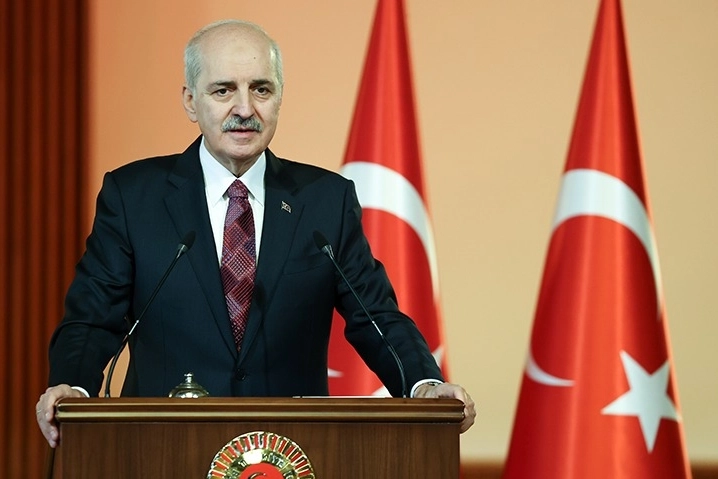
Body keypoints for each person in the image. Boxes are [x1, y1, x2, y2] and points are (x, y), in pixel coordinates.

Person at [35, 19, 476, 447]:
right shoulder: (134, 197)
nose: (245, 109)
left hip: (295, 451)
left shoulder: (325, 200)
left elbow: (374, 314)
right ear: (190, 101)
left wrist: (424, 384)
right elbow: (93, 318)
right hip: (164, 446)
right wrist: (73, 386)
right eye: (223, 90)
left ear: (279, 98)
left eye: (261, 89)